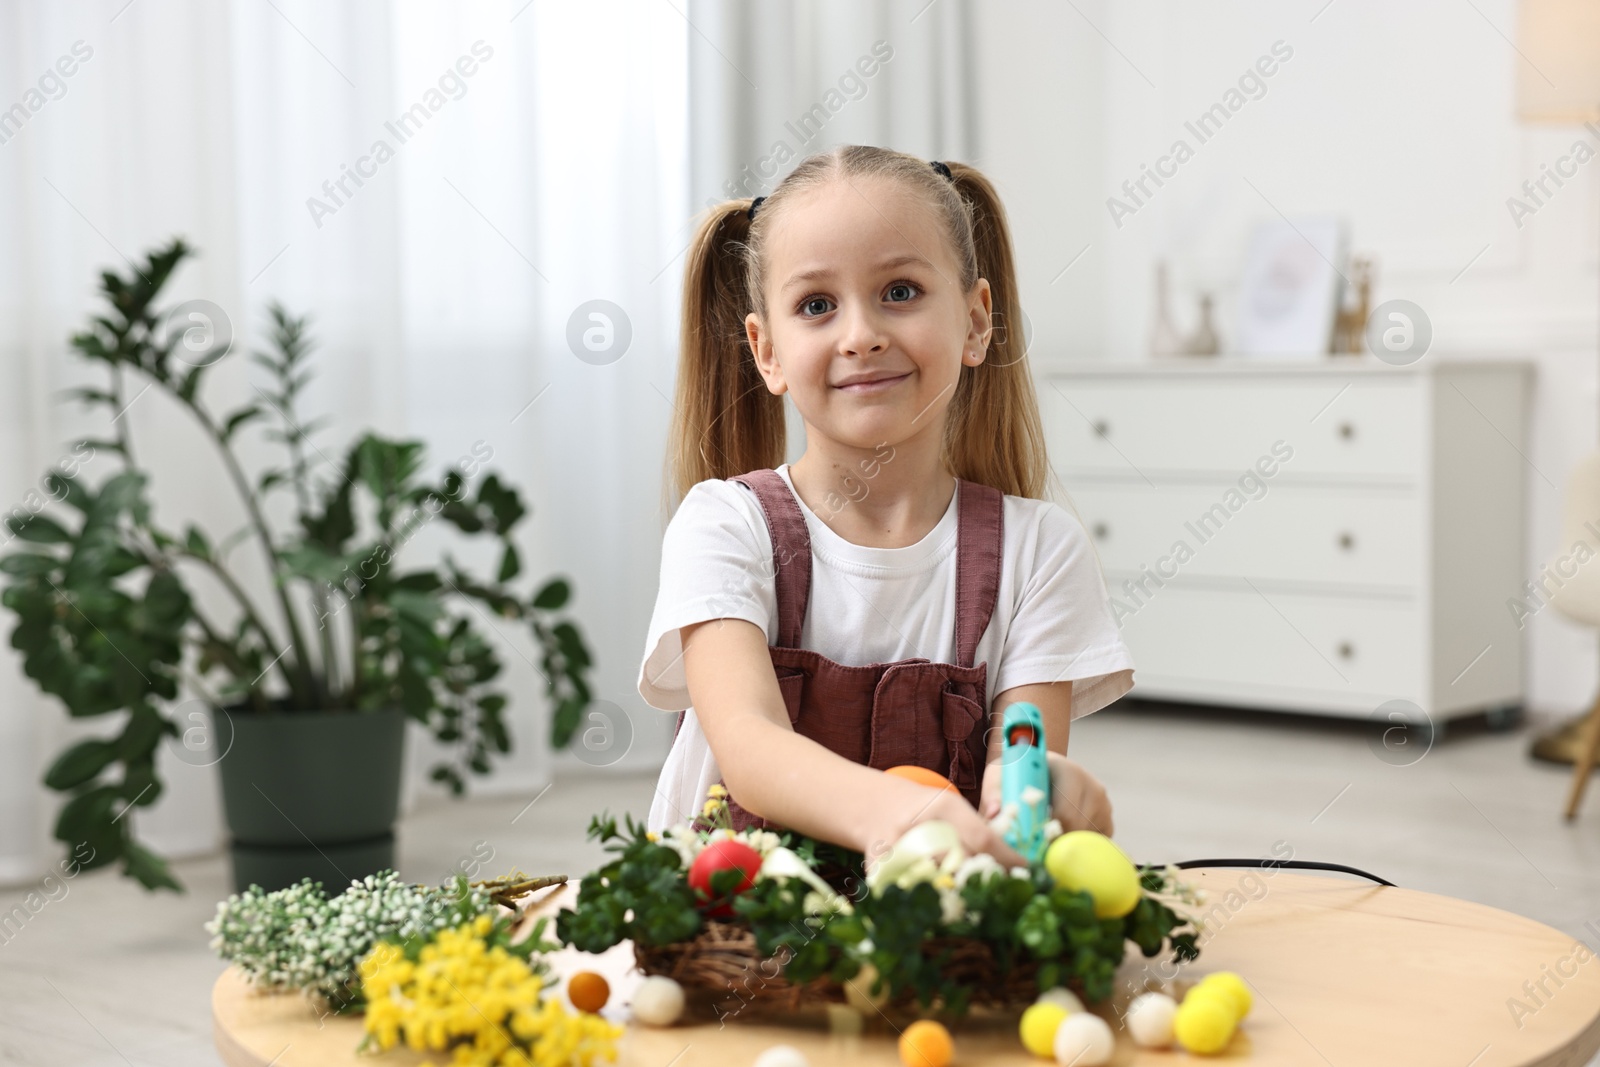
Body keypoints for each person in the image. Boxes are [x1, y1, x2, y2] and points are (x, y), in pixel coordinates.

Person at [637, 145, 1133, 871]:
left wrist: (1044, 797)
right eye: (816, 305)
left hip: (934, 929)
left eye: (899, 291)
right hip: (736, 934)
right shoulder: (723, 525)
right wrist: (914, 812)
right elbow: (749, 746)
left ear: (975, 321)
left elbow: (1017, 775)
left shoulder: (1041, 550)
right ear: (766, 351)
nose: (861, 333)